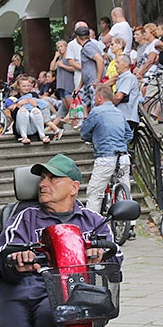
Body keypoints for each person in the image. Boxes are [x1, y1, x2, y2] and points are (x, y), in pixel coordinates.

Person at [0, 154, 121, 327]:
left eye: (53, 179)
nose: (43, 184)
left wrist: (101, 257)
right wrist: (17, 258)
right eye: (42, 178)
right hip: (22, 288)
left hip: (71, 289)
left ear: (74, 187)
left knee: (49, 315)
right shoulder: (25, 217)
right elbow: (3, 251)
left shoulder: (93, 221)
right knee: (14, 326)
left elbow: (115, 255)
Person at [80, 84, 130, 213]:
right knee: (124, 189)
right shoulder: (119, 112)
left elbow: (84, 133)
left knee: (94, 192)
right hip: (123, 156)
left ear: (100, 97)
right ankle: (129, 224)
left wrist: (95, 139)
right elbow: (129, 134)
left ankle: (92, 225)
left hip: (105, 157)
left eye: (95, 97)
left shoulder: (96, 112)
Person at [11, 75, 51, 144]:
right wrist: (18, 105)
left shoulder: (34, 95)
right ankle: (24, 137)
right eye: (24, 86)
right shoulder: (15, 98)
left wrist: (35, 105)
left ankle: (42, 136)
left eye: (28, 86)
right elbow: (13, 117)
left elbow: (41, 110)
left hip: (33, 125)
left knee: (35, 110)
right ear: (18, 86)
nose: (26, 88)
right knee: (23, 111)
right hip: (21, 126)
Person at [76, 24, 105, 110]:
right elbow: (85, 69)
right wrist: (79, 86)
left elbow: (100, 60)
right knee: (82, 102)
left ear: (78, 38)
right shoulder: (88, 46)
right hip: (87, 83)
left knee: (95, 107)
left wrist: (97, 79)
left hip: (93, 83)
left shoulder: (88, 47)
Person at [51, 39, 76, 118]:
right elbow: (52, 68)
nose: (60, 48)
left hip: (68, 83)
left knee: (71, 105)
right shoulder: (59, 59)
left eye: (61, 46)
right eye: (58, 47)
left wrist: (63, 66)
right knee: (66, 104)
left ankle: (74, 121)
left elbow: (74, 68)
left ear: (66, 47)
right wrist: (55, 57)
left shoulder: (69, 57)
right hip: (60, 85)